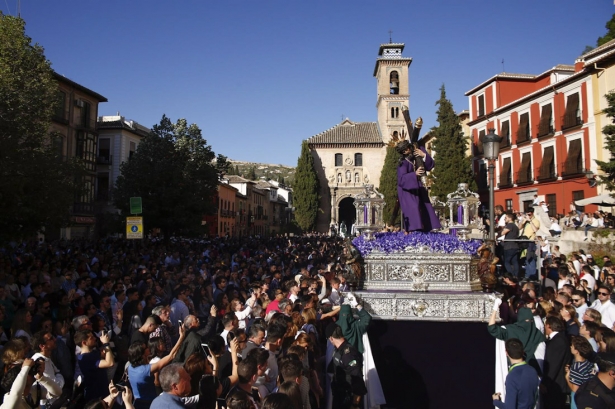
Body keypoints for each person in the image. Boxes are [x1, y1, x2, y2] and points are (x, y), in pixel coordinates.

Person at [128, 324, 186, 408]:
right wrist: (181, 337)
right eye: (146, 348)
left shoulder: (130, 367)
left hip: (137, 402)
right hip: (148, 404)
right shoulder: (145, 370)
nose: (148, 348)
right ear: (142, 354)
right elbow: (171, 356)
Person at [395, 139, 441, 232]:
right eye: (404, 151)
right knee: (413, 208)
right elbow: (401, 180)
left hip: (419, 187)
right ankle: (413, 231)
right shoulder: (402, 163)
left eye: (407, 148)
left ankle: (427, 229)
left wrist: (424, 155)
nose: (406, 151)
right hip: (407, 191)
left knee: (425, 206)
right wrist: (414, 174)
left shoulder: (418, 152)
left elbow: (430, 166)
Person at [325, 323, 367, 409]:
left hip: (348, 399)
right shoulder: (338, 350)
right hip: (339, 397)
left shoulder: (348, 354)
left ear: (331, 338)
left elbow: (358, 380)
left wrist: (355, 405)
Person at [491, 338, 540, 409]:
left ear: (506, 353)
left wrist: (496, 401)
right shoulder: (532, 371)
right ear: (523, 352)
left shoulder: (512, 377)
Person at [75, 329, 115, 401]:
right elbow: (110, 363)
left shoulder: (92, 352)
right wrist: (106, 344)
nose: (95, 339)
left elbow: (103, 355)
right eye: (91, 338)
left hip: (103, 391)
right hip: (96, 396)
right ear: (84, 342)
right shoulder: (85, 358)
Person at [541, 316, 572, 409]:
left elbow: (553, 365)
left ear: (548, 326)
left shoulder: (558, 341)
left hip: (556, 385)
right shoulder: (558, 339)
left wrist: (545, 383)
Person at [498, 212, 519, 278]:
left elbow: (503, 232)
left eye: (506, 218)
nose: (504, 219)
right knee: (514, 261)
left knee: (506, 262)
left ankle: (511, 275)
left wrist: (497, 234)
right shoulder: (515, 226)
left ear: (510, 218)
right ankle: (516, 275)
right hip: (515, 246)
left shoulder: (510, 225)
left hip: (509, 246)